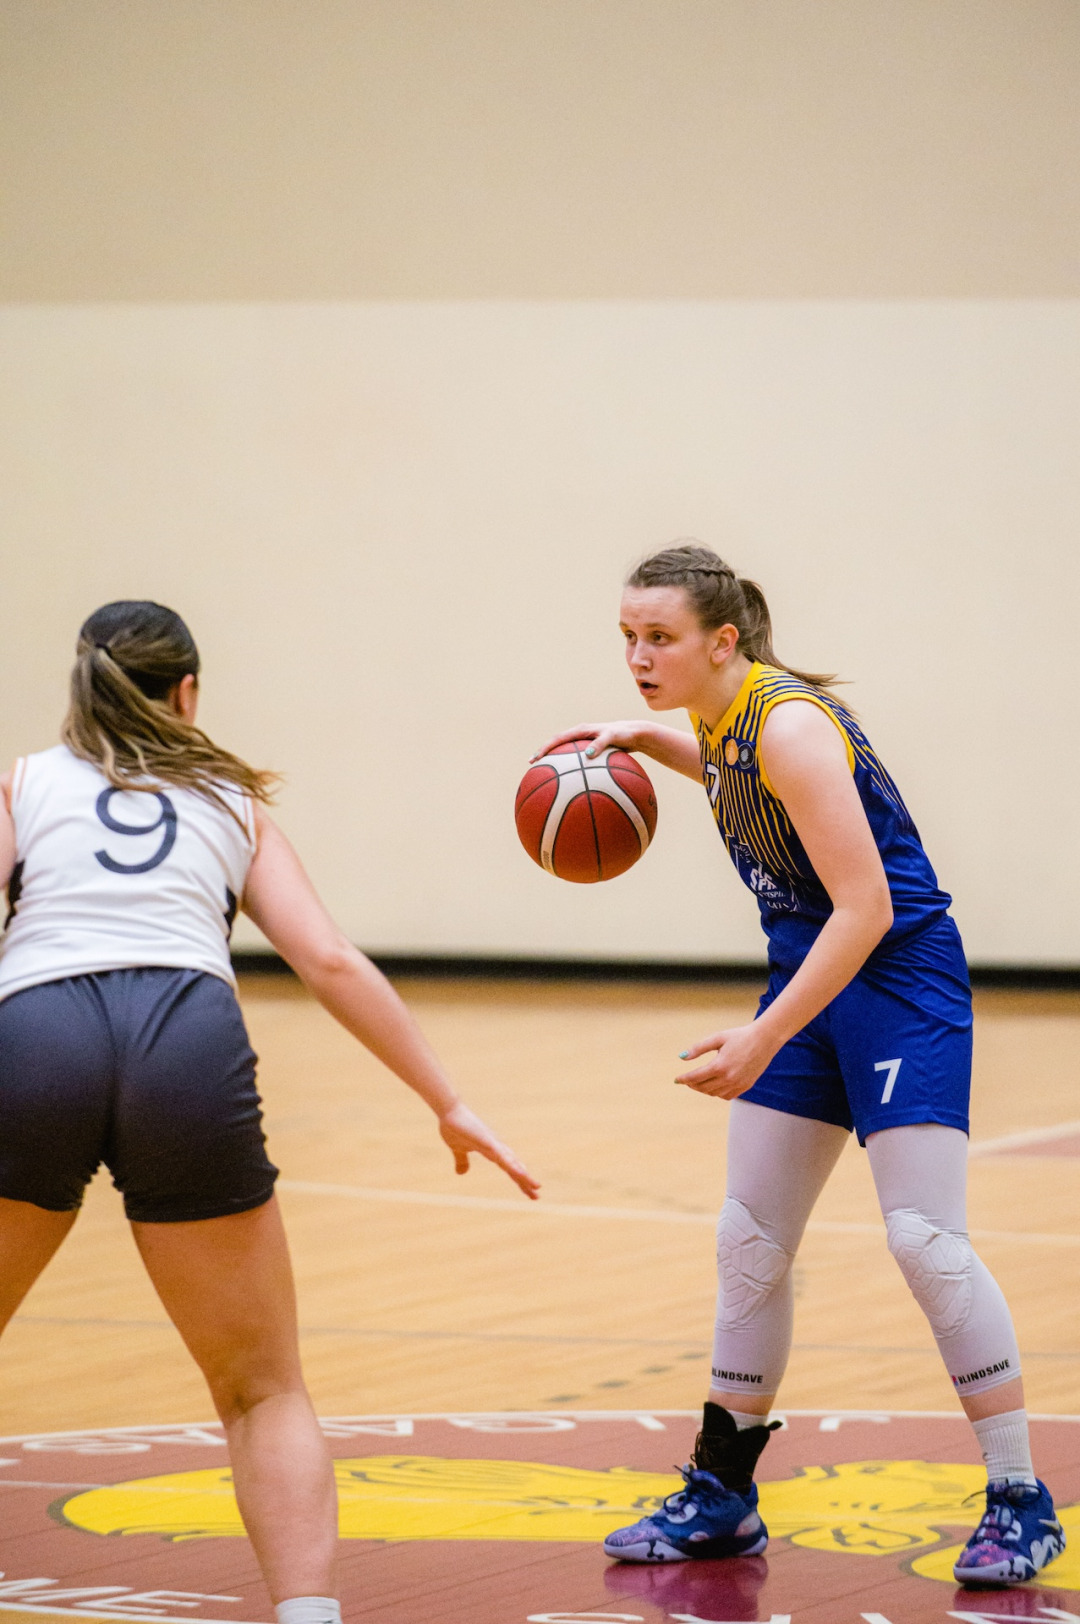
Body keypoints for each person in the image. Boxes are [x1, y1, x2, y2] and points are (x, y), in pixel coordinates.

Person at [0, 600, 539, 1624]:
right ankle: (306, 1614)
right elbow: (327, 959)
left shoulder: (23, 785)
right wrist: (448, 1100)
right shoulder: (230, 799)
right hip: (185, 1037)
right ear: (188, 693)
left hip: (39, 1034)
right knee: (263, 1389)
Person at [536, 543, 1062, 1588]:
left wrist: (765, 1036)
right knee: (750, 1239)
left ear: (722, 640)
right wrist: (648, 739)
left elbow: (866, 907)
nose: (639, 657)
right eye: (629, 637)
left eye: (660, 638)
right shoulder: (722, 720)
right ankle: (723, 1492)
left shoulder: (789, 725)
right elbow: (736, 778)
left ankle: (1019, 1497)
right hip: (812, 974)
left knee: (925, 1241)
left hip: (898, 978)